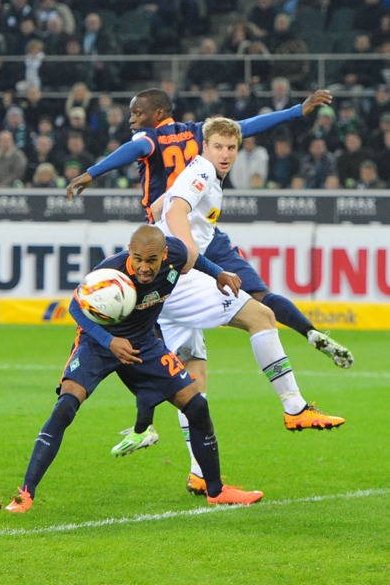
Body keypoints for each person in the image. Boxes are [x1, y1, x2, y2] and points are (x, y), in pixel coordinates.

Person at [124, 119, 345, 492]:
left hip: (167, 281)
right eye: (218, 147)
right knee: (261, 315)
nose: (224, 155)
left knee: (192, 376)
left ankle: (199, 474)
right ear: (205, 147)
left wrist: (165, 225)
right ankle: (294, 407)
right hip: (180, 277)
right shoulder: (205, 170)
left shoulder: (195, 169)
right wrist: (187, 247)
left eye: (231, 148)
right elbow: (175, 210)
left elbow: (162, 203)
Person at [66, 88, 353, 371]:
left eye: (138, 113)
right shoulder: (201, 132)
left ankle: (145, 416)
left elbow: (135, 149)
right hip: (207, 233)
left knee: (149, 317)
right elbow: (246, 126)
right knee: (259, 296)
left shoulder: (149, 137)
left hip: (170, 234)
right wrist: (296, 111)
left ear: (158, 113)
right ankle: (310, 331)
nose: (132, 120)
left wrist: (93, 172)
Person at [4, 225, 264, 513]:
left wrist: (219, 273)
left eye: (151, 260)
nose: (143, 267)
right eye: (138, 258)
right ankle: (25, 494)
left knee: (197, 406)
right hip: (98, 344)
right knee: (66, 407)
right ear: (130, 252)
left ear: (165, 255)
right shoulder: (109, 272)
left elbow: (194, 257)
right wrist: (109, 340)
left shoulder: (176, 252)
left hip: (143, 344)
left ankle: (216, 491)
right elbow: (76, 308)